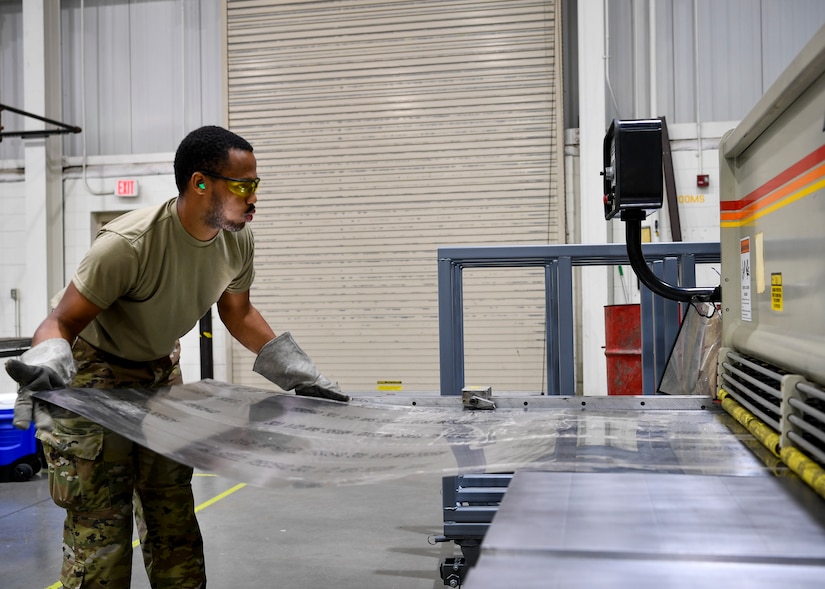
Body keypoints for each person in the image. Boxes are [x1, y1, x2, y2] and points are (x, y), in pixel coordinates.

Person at [5, 125, 347, 589]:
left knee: (173, 516)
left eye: (256, 185)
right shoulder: (128, 245)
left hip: (160, 372)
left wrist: (297, 373)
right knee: (100, 528)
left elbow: (238, 312)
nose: (253, 199)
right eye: (243, 185)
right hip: (92, 369)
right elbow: (62, 321)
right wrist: (48, 362)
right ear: (200, 183)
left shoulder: (237, 240)